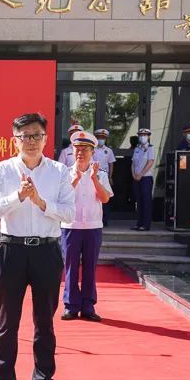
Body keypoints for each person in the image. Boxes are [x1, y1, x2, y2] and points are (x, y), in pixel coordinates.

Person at [0, 112, 75, 380]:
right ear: (15, 140)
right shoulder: (3, 170)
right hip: (12, 249)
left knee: (45, 323)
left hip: (47, 252)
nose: (31, 141)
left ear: (46, 138)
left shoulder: (59, 171)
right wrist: (19, 197)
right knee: (7, 322)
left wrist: (39, 202)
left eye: (37, 135)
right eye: (25, 136)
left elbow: (69, 214)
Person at [60, 131, 113, 322]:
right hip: (70, 226)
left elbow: (105, 198)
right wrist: (76, 179)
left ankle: (88, 306)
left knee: (90, 267)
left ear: (93, 152)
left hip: (92, 226)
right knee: (71, 267)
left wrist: (94, 179)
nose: (80, 153)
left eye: (85, 150)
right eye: (77, 149)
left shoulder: (101, 174)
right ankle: (71, 306)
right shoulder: (64, 173)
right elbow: (61, 198)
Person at [131, 127, 156, 231]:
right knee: (139, 201)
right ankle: (139, 223)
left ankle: (146, 224)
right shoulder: (137, 149)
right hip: (136, 178)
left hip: (146, 178)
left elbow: (150, 162)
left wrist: (141, 174)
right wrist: (133, 174)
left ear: (149, 136)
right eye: (141, 135)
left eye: (145, 135)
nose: (142, 137)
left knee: (146, 201)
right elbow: (133, 163)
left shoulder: (150, 148)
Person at [92, 128, 116, 226]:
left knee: (106, 198)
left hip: (104, 176)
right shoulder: (92, 149)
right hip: (94, 175)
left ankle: (104, 220)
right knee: (95, 197)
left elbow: (111, 164)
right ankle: (96, 218)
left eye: (103, 138)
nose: (101, 139)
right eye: (99, 137)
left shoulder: (108, 151)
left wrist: (110, 177)